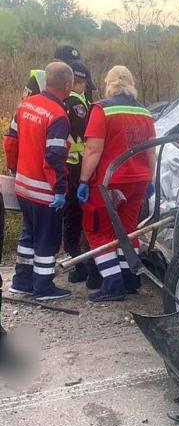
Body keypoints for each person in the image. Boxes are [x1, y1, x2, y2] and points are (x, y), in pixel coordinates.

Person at [78, 66, 156, 302]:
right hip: (138, 180)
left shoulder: (103, 109)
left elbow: (93, 150)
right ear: (131, 83)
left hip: (109, 182)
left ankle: (112, 284)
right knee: (127, 228)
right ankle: (130, 278)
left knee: (99, 230)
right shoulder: (145, 112)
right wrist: (150, 179)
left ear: (108, 83)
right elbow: (151, 152)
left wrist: (83, 180)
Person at [3, 62, 74, 301]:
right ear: (67, 85)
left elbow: (10, 140)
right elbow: (53, 157)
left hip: (23, 186)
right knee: (47, 237)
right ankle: (43, 287)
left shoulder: (26, 104)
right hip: (44, 191)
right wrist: (60, 190)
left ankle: (21, 282)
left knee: (28, 234)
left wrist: (13, 169)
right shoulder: (58, 115)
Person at [61, 61, 101, 288]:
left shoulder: (66, 103)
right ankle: (81, 264)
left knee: (72, 218)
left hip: (70, 169)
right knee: (77, 219)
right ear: (81, 83)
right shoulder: (78, 106)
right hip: (78, 170)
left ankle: (78, 263)